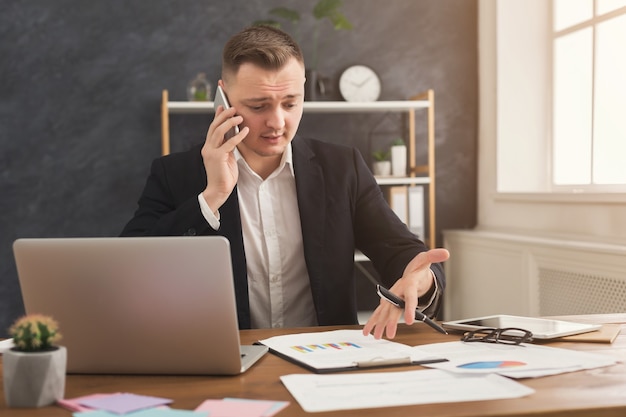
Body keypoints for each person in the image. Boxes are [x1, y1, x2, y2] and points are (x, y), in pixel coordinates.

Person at [121, 25, 449, 339]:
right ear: (223, 98)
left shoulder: (342, 168)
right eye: (258, 106)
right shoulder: (174, 174)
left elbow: (401, 251)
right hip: (225, 361)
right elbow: (129, 269)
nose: (278, 122)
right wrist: (211, 198)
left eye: (290, 103)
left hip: (324, 358)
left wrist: (418, 280)